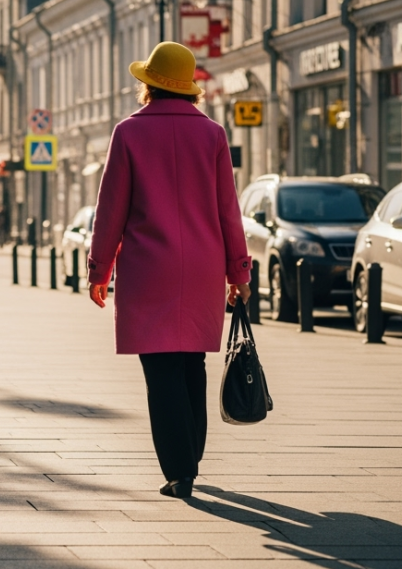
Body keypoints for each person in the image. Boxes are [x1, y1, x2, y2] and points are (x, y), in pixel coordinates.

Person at [86, 41, 252, 500]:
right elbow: (227, 211)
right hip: (201, 269)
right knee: (192, 364)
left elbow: (111, 209)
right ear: (190, 89)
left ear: (149, 86)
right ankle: (191, 457)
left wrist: (99, 269)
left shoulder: (128, 133)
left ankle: (180, 470)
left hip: (148, 269)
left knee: (160, 371)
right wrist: (238, 273)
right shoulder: (214, 135)